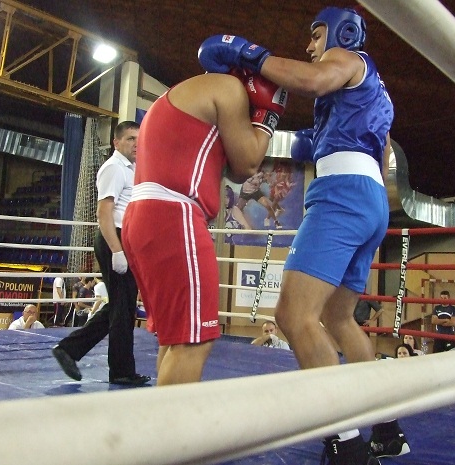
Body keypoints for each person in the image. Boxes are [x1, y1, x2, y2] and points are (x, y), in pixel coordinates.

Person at [198, 7, 404, 464]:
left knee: (293, 316)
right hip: (370, 198)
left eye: (316, 35)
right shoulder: (370, 91)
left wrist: (251, 55)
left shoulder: (348, 59)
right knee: (339, 317)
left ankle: (346, 444)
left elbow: (311, 80)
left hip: (342, 195)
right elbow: (381, 150)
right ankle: (387, 428)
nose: (310, 46)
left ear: (341, 33)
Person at [120, 70, 287, 386]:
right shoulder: (228, 87)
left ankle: (162, 415)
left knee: (176, 338)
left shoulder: (184, 94)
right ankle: (174, 420)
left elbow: (235, 171)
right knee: (194, 341)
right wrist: (268, 117)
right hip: (173, 215)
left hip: (146, 214)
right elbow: (249, 164)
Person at [51, 121, 150, 386]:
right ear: (116, 142)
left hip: (125, 239)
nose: (136, 144)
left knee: (121, 306)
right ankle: (120, 371)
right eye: (130, 139)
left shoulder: (132, 169)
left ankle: (70, 349)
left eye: (139, 139)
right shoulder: (114, 168)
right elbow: (104, 213)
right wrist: (117, 250)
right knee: (122, 309)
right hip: (114, 239)